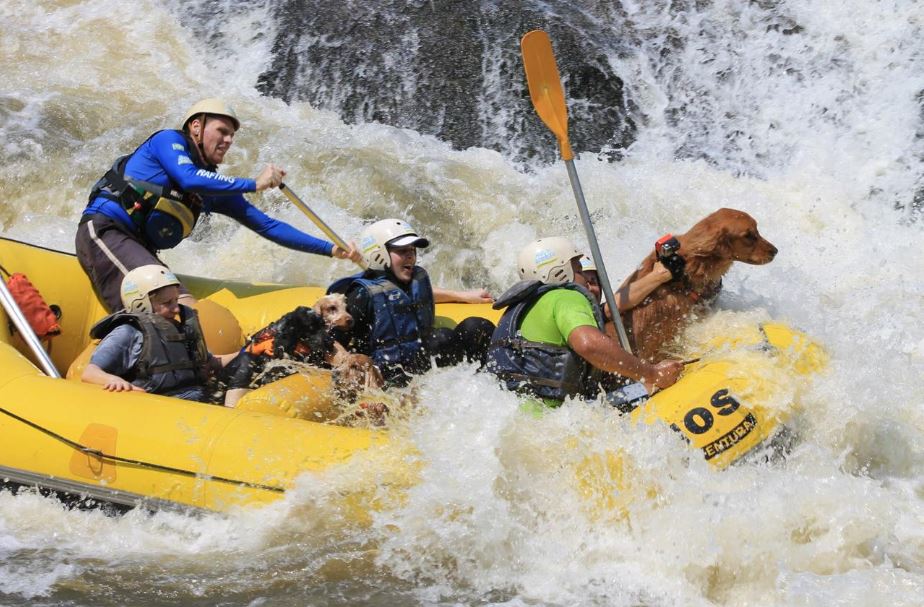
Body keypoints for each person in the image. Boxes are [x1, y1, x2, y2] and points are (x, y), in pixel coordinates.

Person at [75, 98, 361, 312]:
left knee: (185, 308)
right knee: (162, 303)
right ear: (196, 126)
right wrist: (255, 183)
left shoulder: (212, 187)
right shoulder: (168, 141)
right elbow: (187, 179)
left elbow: (268, 226)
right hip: (105, 231)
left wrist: (331, 249)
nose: (228, 140)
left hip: (138, 250)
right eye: (222, 131)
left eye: (232, 136)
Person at [487, 238, 683, 409]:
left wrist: (658, 276)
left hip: (520, 412)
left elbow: (613, 305)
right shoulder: (565, 297)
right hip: (552, 416)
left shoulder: (518, 309)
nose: (585, 279)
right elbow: (588, 344)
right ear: (559, 272)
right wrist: (651, 374)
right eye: (578, 269)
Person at [328, 218, 495, 387]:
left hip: (423, 359)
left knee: (476, 326)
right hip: (391, 373)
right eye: (402, 250)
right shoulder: (361, 295)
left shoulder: (414, 278)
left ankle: (495, 384)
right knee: (442, 338)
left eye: (412, 249)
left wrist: (462, 296)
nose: (410, 255)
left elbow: (408, 299)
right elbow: (333, 342)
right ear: (379, 254)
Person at [81, 265, 234, 402]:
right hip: (163, 406)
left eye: (176, 300)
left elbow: (211, 363)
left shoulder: (179, 328)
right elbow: (90, 373)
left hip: (196, 398)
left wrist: (248, 351)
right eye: (167, 303)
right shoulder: (128, 332)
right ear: (141, 304)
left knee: (246, 363)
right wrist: (112, 379)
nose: (176, 309)